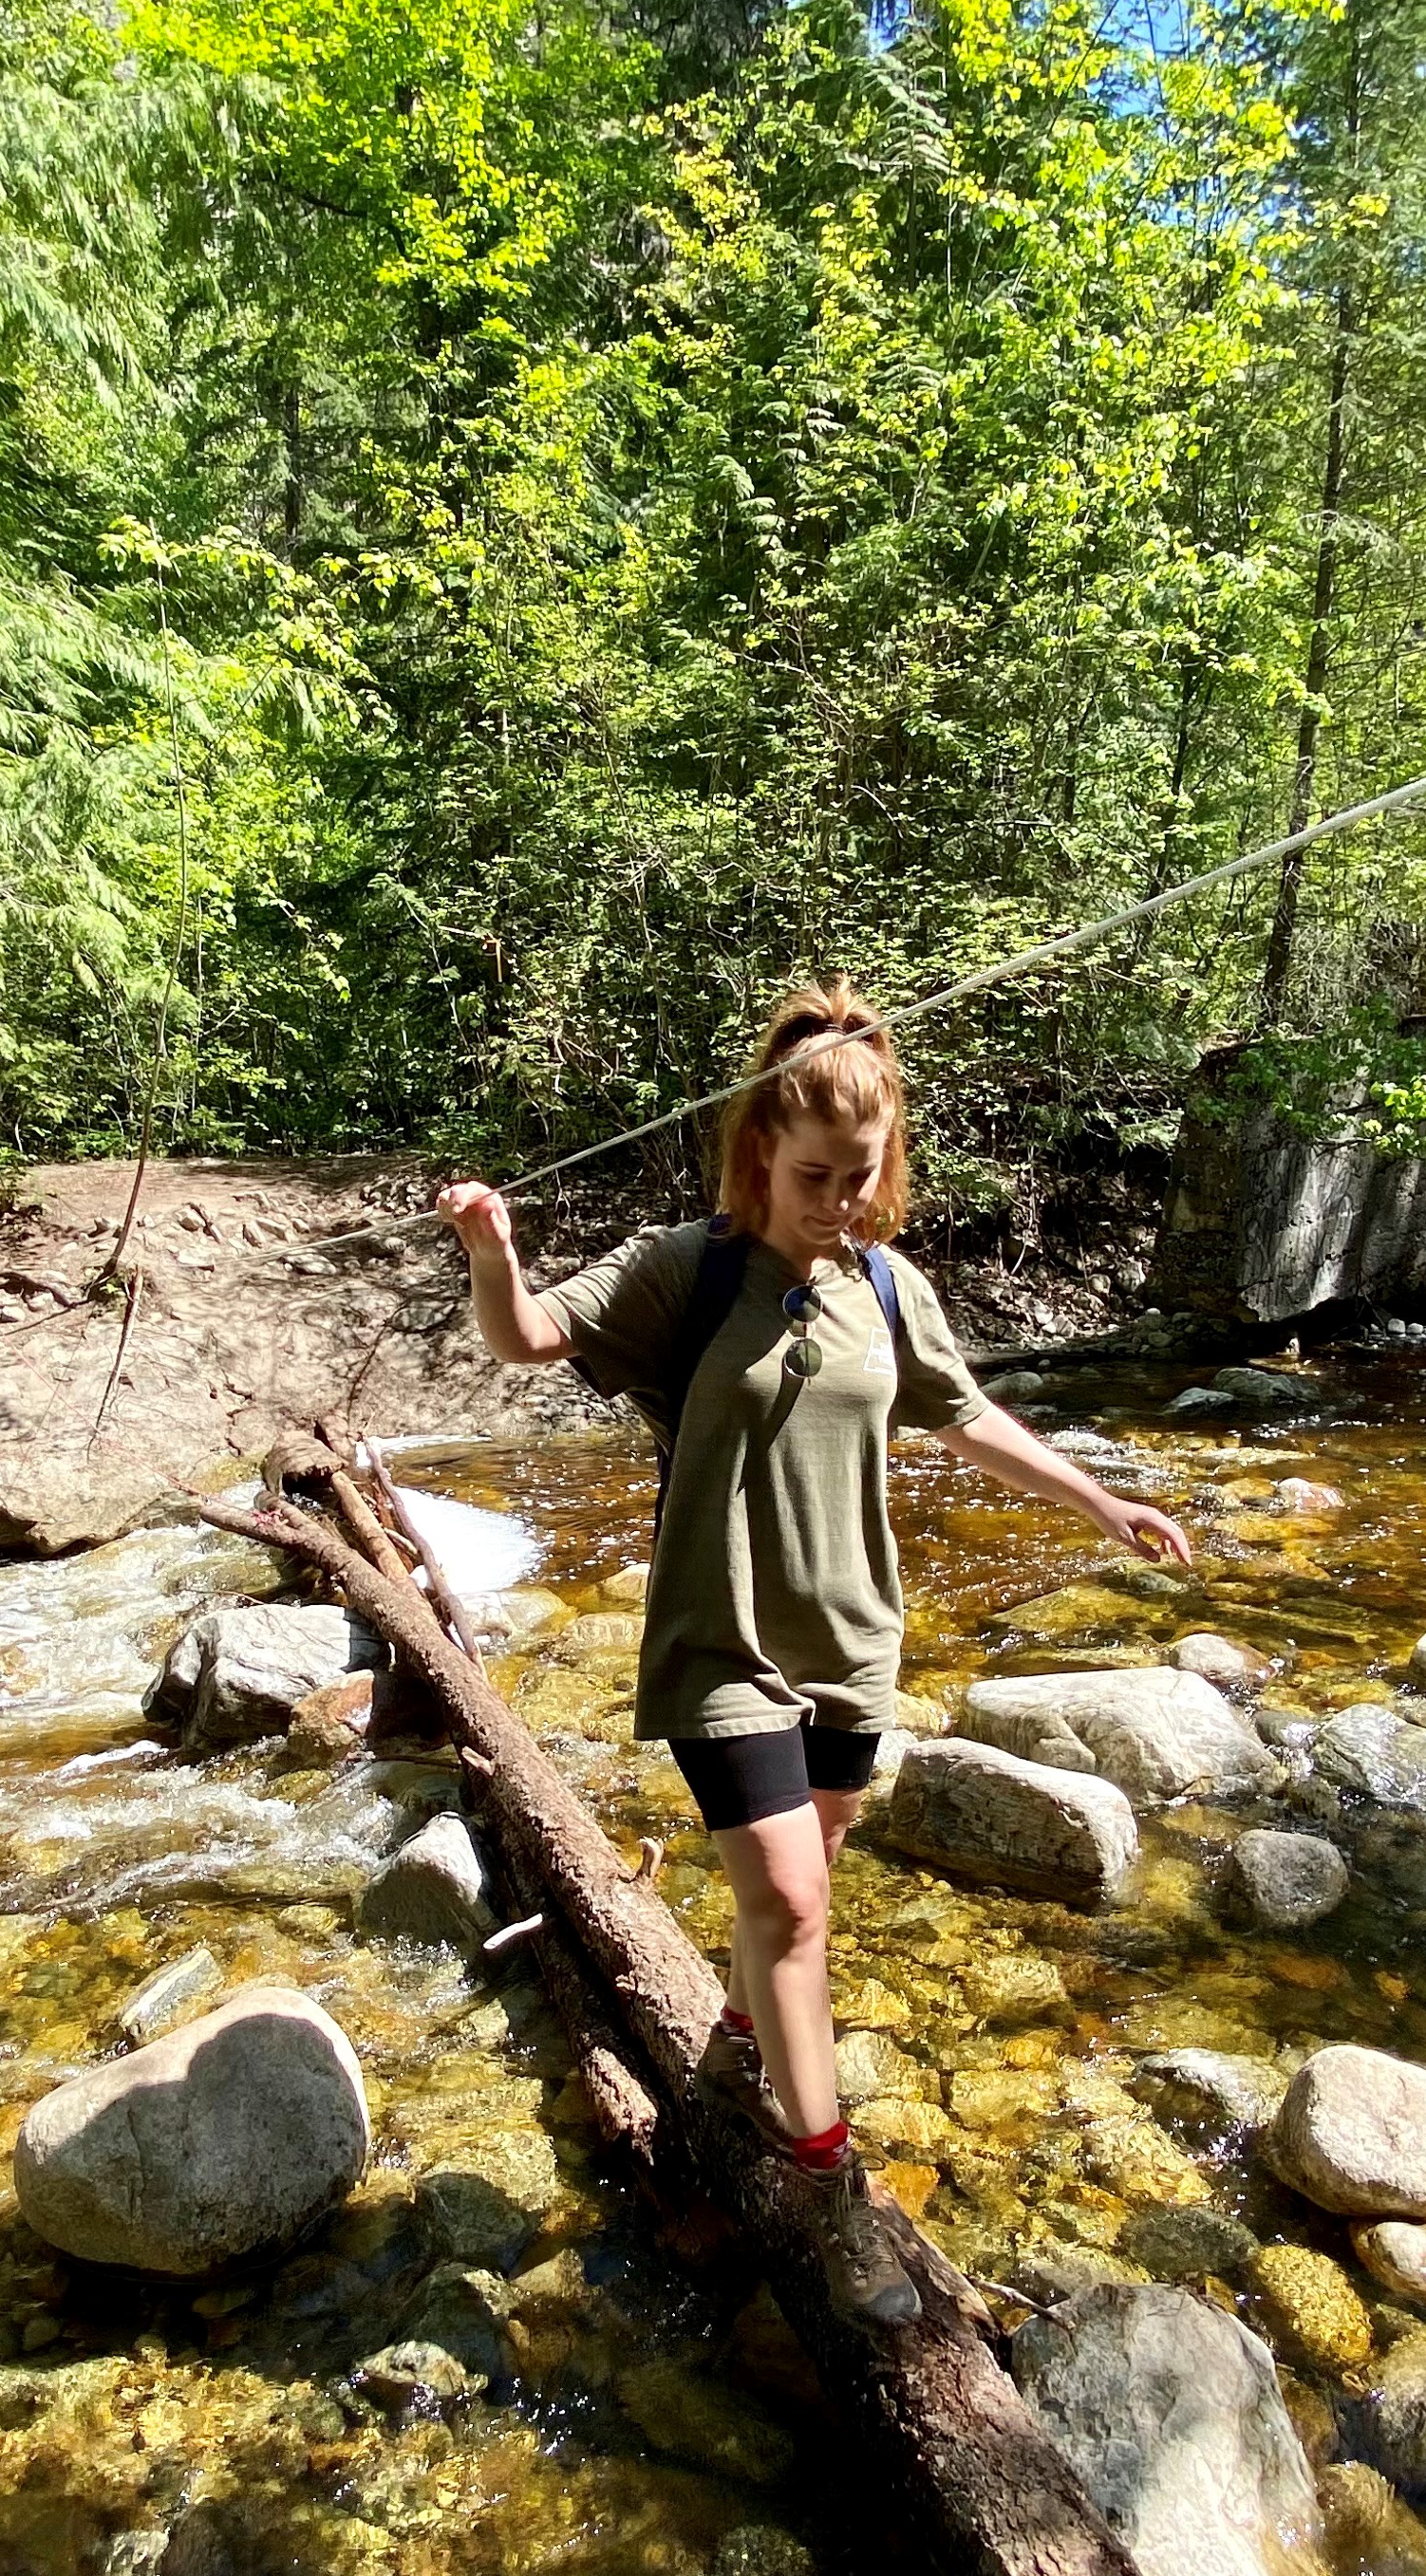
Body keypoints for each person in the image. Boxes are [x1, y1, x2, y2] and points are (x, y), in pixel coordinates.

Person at [440, 980, 1192, 2330]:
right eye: (810, 1176)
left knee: (809, 1878)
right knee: (790, 1904)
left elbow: (968, 1420)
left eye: (858, 1176)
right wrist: (494, 1249)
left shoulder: (889, 1289)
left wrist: (1103, 1500)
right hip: (719, 1646)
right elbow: (531, 1336)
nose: (835, 1200)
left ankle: (736, 2052)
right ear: (754, 1156)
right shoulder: (691, 1272)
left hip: (854, 1643)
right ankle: (826, 2182)